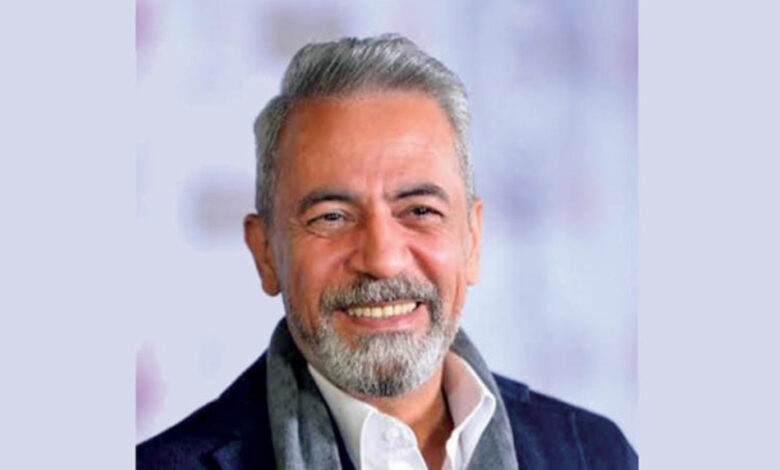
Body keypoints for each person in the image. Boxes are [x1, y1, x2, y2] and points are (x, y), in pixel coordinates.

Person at [136, 34, 637, 469]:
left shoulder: (596, 455)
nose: (382, 259)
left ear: (472, 240)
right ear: (265, 254)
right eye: (331, 217)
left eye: (419, 210)